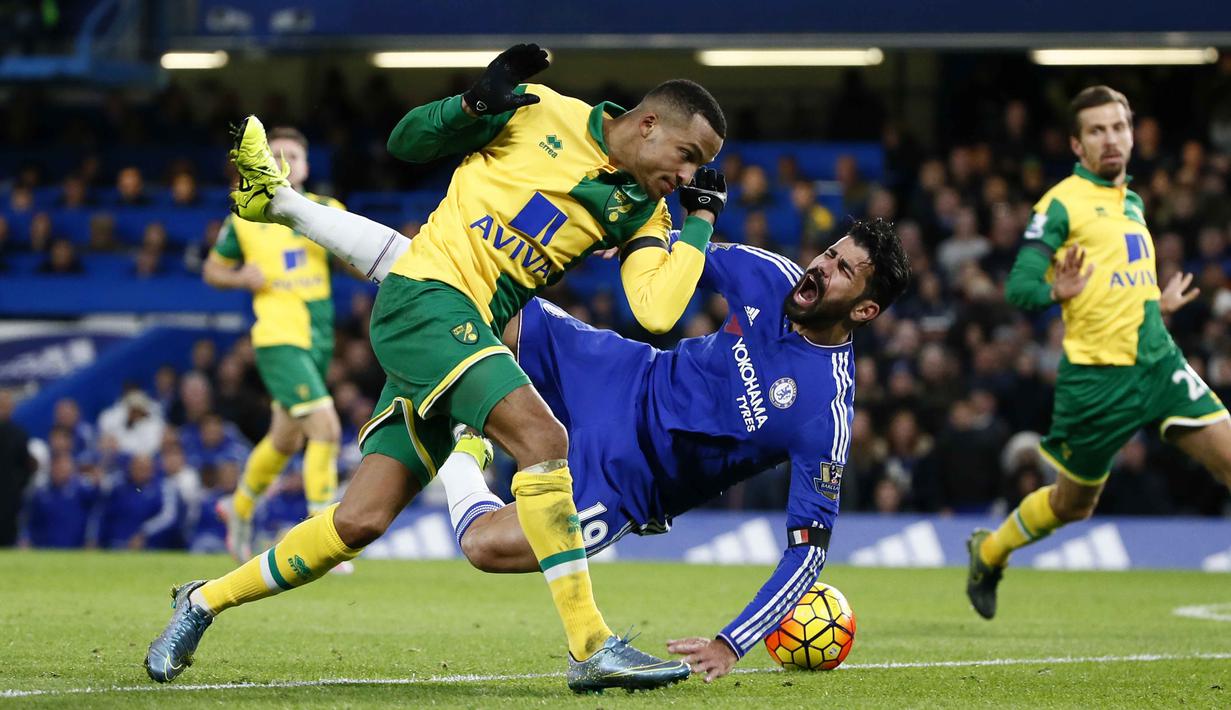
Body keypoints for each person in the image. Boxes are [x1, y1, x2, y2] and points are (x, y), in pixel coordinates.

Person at [147, 43, 728, 693]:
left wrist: (699, 220)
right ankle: (591, 645)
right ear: (648, 125)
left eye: (699, 168)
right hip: (424, 298)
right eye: (688, 156)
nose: (688, 174)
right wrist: (473, 104)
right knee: (543, 439)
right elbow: (405, 143)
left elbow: (656, 309)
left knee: (358, 521)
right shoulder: (542, 113)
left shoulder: (640, 209)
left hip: (464, 332)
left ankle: (200, 602)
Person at [195, 188, 908, 682]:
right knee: (463, 278)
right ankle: (292, 208)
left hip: (634, 480)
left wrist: (732, 642)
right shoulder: (772, 274)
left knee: (484, 547)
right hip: (619, 374)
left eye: (842, 269)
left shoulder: (826, 411)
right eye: (828, 252)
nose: (820, 267)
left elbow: (808, 551)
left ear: (867, 308)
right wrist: (630, 237)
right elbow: (670, 255)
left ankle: (464, 452)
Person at [965, 86, 1231, 620]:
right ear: (1077, 144)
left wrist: (1159, 302)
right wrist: (1053, 292)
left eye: (1119, 127)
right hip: (1096, 382)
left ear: (1132, 134)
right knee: (1072, 505)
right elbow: (1018, 287)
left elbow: (1119, 283)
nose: (1111, 139)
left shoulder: (1131, 201)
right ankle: (990, 552)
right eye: (1097, 130)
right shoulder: (1061, 203)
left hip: (1157, 362)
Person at [202, 126, 345, 562]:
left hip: (317, 337)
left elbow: (357, 264)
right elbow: (212, 270)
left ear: (305, 165)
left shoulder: (327, 210)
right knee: (326, 429)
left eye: (293, 155)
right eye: (275, 153)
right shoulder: (246, 215)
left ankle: (238, 506)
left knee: (284, 440)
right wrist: (238, 277)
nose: (284, 161)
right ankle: (323, 536)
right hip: (277, 337)